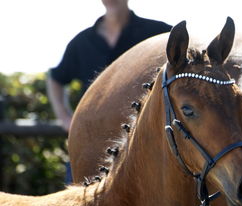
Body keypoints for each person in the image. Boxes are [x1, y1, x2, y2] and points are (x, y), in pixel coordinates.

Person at [46, 0, 171, 183]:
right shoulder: (82, 41)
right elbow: (56, 78)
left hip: (152, 149)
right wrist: (66, 119)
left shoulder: (159, 33)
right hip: (92, 149)